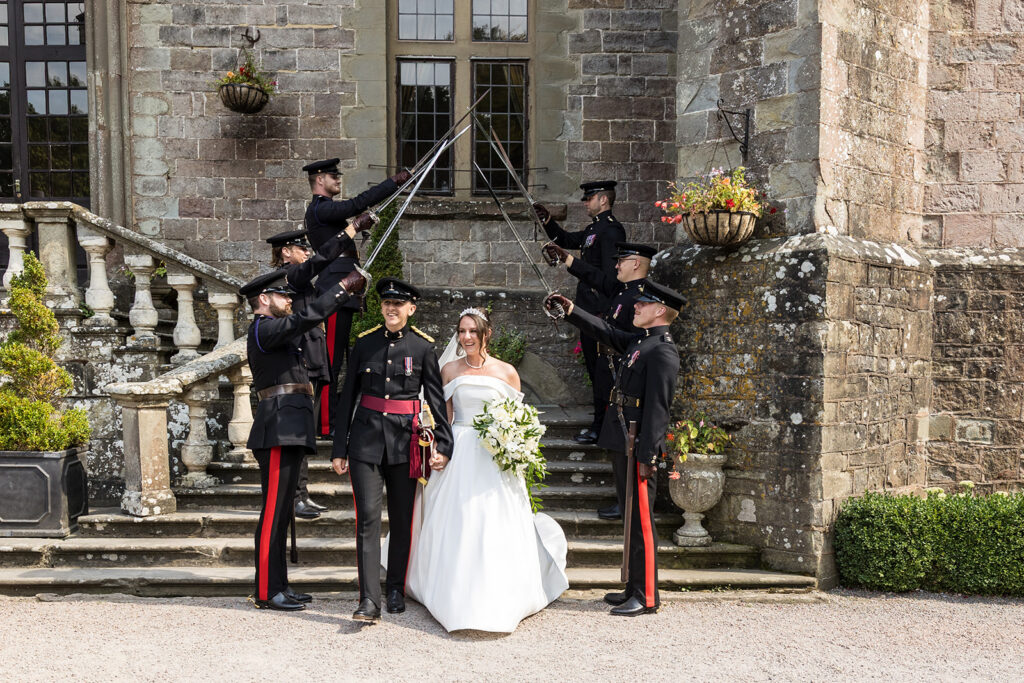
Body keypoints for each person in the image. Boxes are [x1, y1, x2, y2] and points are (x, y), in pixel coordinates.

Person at [403, 308, 569, 633]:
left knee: (496, 518)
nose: (466, 338)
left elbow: (518, 419)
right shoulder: (449, 369)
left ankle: (500, 591)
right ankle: (452, 590)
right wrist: (438, 449)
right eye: (462, 331)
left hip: (496, 455)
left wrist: (515, 445)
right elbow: (443, 418)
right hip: (461, 449)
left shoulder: (506, 372)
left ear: (485, 334)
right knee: (461, 519)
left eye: (472, 332)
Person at [545, 280, 683, 616]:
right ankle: (633, 586)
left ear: (659, 310)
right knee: (630, 518)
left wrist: (649, 455)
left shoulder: (663, 350)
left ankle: (648, 595)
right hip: (623, 438)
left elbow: (658, 408)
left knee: (642, 523)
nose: (635, 307)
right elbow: (606, 332)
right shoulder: (641, 342)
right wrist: (572, 311)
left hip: (638, 446)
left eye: (642, 304)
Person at [241, 260, 367, 612]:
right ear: (265, 299)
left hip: (291, 427)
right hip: (278, 428)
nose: (288, 299)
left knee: (282, 513)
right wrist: (342, 288)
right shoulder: (264, 329)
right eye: (282, 294)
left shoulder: (277, 329)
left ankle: (279, 585)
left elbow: (305, 328)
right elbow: (304, 319)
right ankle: (266, 590)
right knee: (273, 513)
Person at [330, 277, 452, 622]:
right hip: (365, 443)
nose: (391, 309)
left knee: (402, 521)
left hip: (405, 444)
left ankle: (395, 586)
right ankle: (369, 601)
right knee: (367, 521)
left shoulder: (423, 348)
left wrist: (444, 444)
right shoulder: (364, 344)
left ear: (411, 309)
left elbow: (437, 402)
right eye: (387, 303)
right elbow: (347, 395)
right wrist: (340, 446)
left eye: (398, 305)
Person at [543, 241, 656, 521]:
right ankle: (623, 499)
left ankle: (629, 502)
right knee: (616, 443)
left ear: (636, 264)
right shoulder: (623, 291)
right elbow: (597, 282)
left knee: (624, 441)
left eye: (622, 260)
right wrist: (568, 263)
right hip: (610, 366)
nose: (616, 265)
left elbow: (624, 339)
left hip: (623, 371)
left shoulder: (641, 298)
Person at [302, 158, 413, 435]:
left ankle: (329, 420)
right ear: (319, 180)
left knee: (338, 358)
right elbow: (356, 205)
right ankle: (325, 424)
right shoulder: (320, 209)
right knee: (330, 361)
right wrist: (393, 182)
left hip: (344, 291)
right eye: (332, 176)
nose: (338, 179)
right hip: (334, 291)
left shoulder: (327, 212)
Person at [266, 226, 357, 519]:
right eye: (301, 248)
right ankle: (295, 496)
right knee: (299, 434)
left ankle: (300, 494)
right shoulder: (289, 276)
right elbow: (319, 264)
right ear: (285, 252)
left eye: (306, 248)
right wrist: (349, 232)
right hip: (304, 364)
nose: (307, 253)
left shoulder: (299, 278)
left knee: (305, 434)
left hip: (314, 364)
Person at [534, 180, 625, 444]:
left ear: (603, 200)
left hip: (599, 313)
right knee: (595, 370)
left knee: (602, 373)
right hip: (588, 313)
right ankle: (598, 424)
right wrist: (548, 220)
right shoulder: (594, 229)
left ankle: (600, 426)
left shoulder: (611, 231)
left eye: (589, 198)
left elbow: (609, 281)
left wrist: (570, 261)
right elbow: (567, 239)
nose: (585, 202)